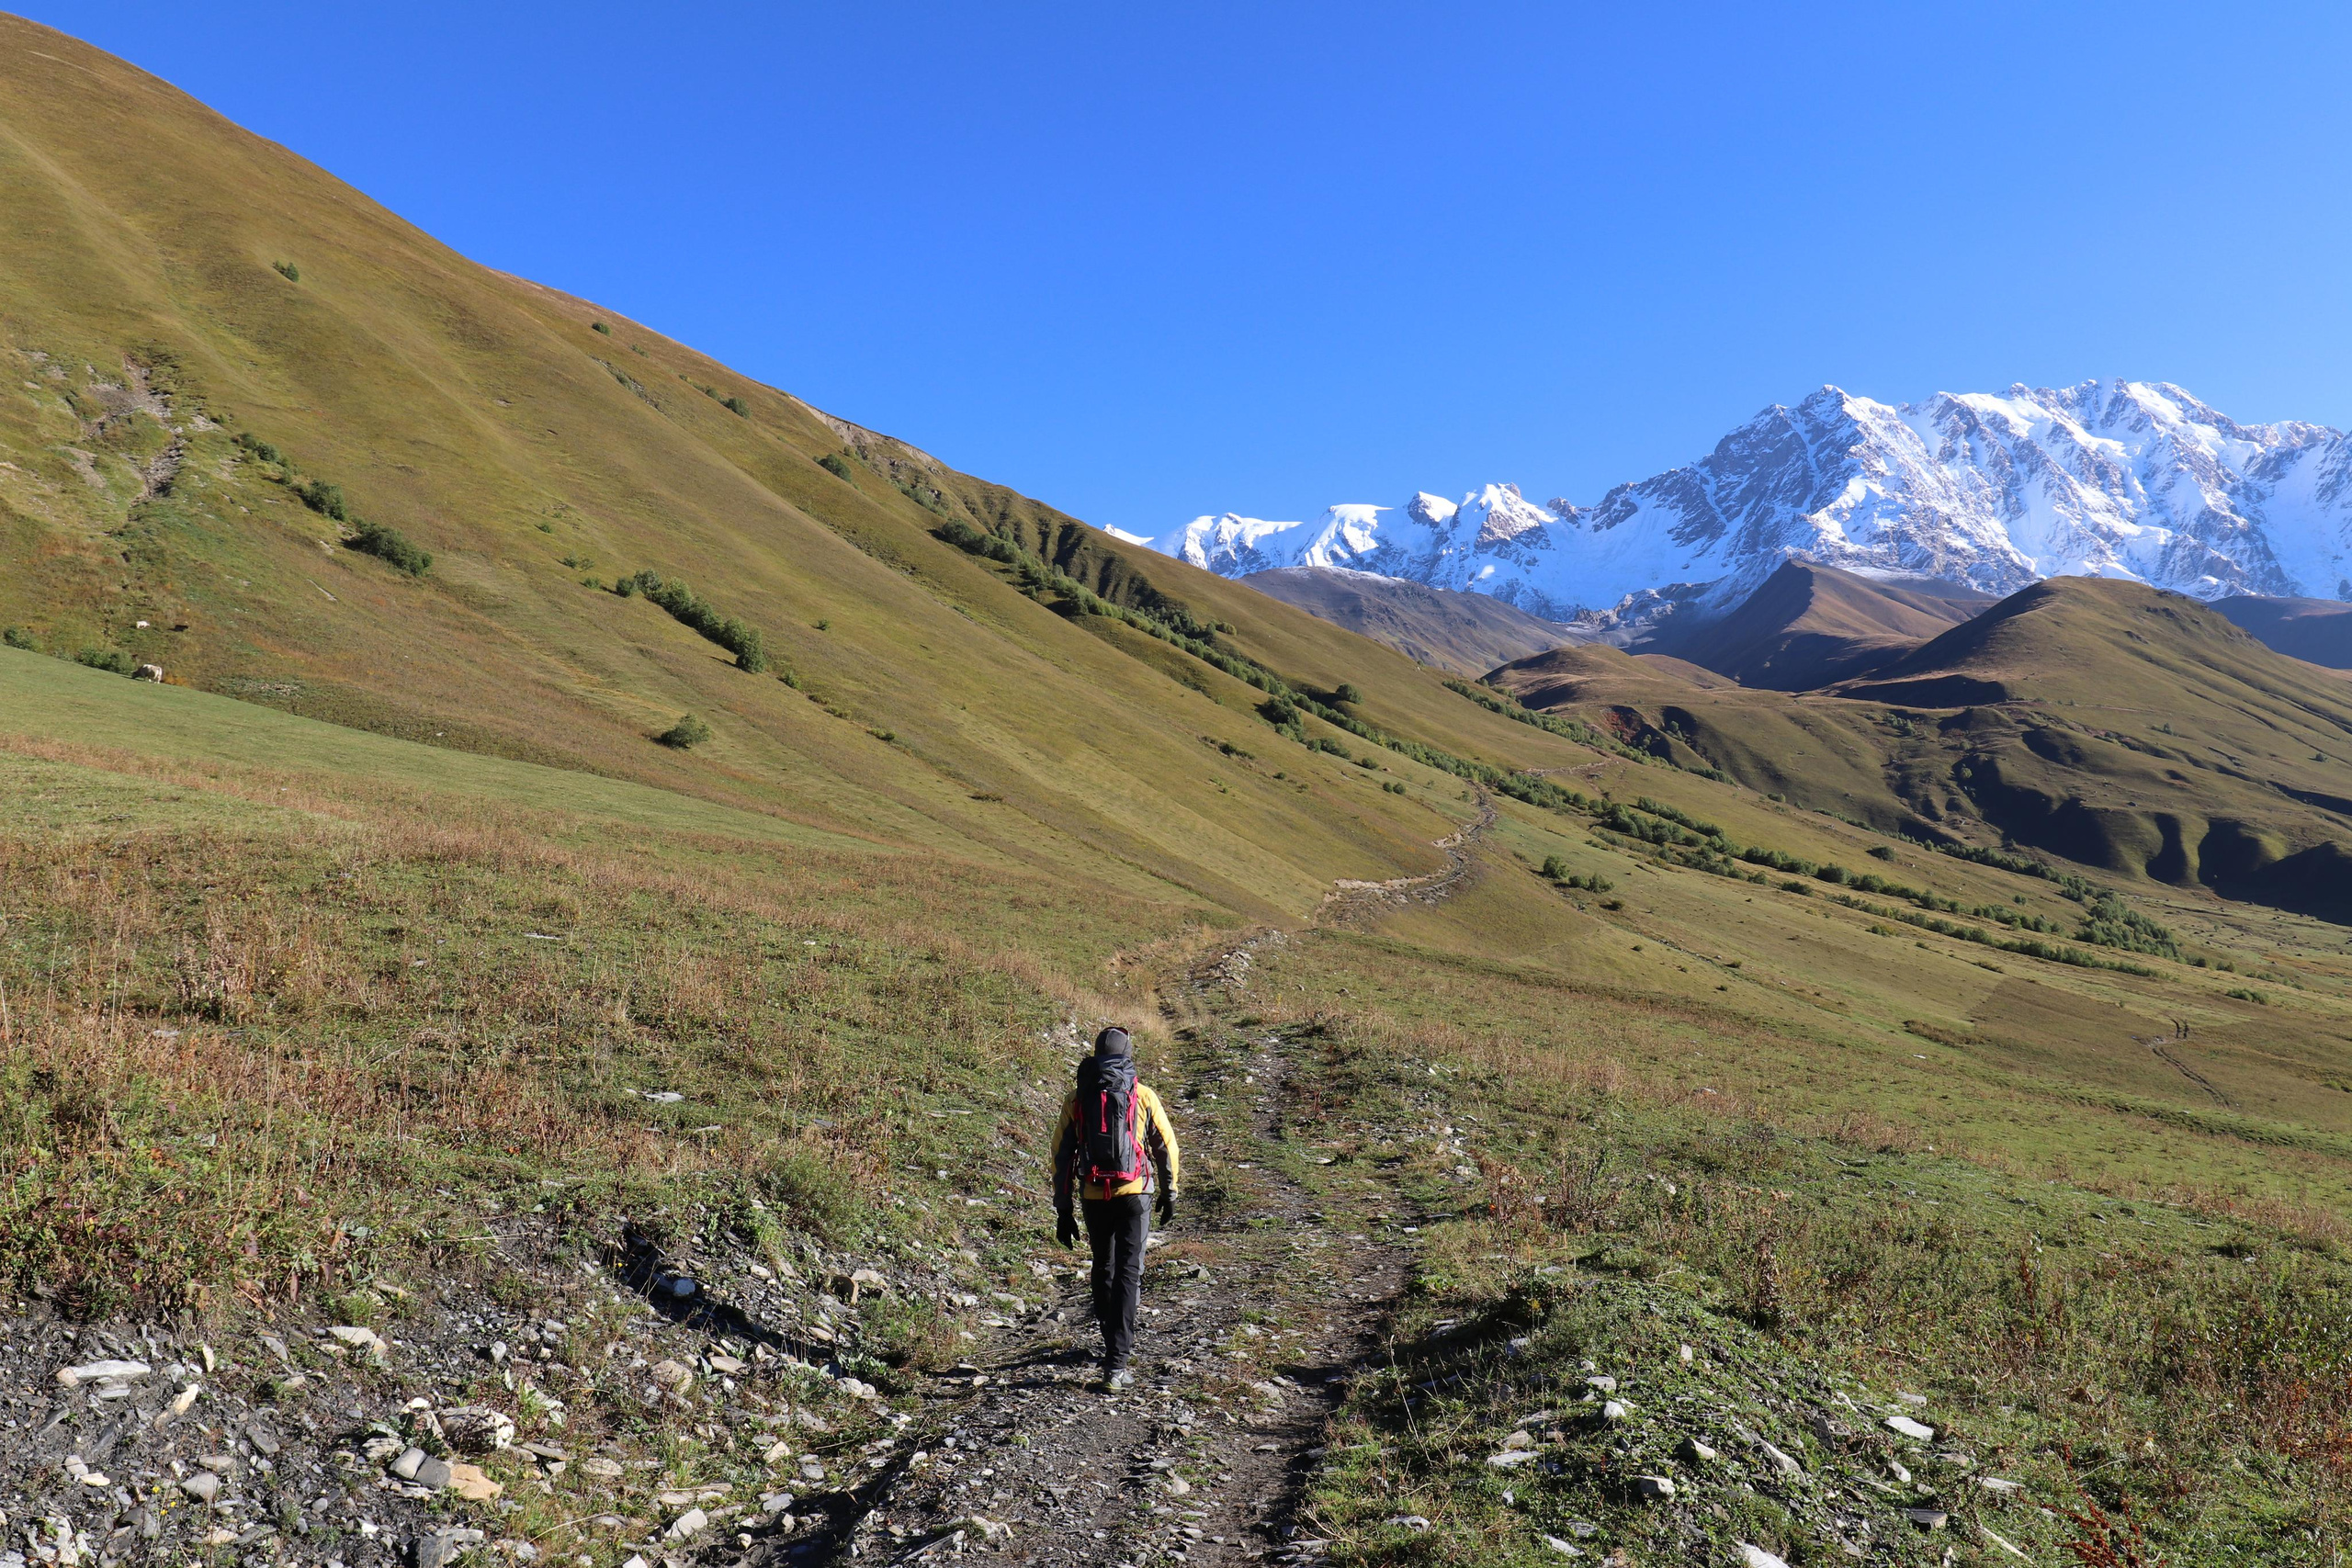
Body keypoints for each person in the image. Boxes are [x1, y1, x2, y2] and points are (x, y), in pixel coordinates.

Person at [1050, 1025, 1180, 1389]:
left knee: (1103, 1266)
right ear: (1128, 1055)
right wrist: (1170, 1192)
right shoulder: (1142, 1095)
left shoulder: (1078, 1098)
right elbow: (1166, 1148)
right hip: (1135, 1193)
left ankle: (1112, 1346)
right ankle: (1117, 1363)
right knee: (1129, 1271)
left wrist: (1063, 1210)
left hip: (1094, 1195)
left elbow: (1061, 1155)